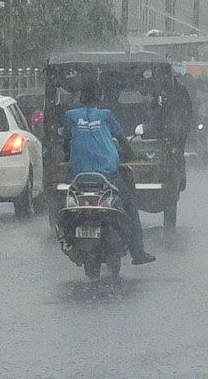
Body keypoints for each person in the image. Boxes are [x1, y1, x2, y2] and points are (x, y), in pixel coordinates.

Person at [63, 85, 155, 265]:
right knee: (130, 206)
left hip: (80, 177)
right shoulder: (106, 115)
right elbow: (122, 140)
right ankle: (138, 253)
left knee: (67, 205)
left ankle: (69, 241)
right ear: (100, 98)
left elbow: (66, 141)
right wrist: (134, 154)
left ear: (81, 98)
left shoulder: (71, 116)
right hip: (108, 176)